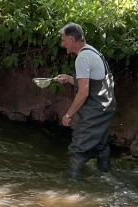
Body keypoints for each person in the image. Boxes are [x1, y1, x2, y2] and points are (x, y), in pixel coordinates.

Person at [55, 22, 116, 181]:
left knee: (77, 150)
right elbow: (94, 82)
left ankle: (71, 189)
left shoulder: (82, 58)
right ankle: (106, 176)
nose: (62, 44)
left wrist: (68, 115)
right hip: (106, 107)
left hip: (95, 111)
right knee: (101, 145)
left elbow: (84, 92)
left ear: (72, 40)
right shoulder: (92, 52)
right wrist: (68, 78)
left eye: (63, 40)